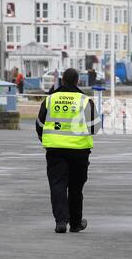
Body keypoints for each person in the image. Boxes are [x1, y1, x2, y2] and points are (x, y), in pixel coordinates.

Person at [36, 68, 101, 234]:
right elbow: (95, 127)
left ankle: (60, 221)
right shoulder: (85, 101)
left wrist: (45, 140)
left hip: (55, 150)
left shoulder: (50, 100)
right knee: (75, 187)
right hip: (79, 150)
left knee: (57, 186)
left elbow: (39, 124)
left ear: (62, 81)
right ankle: (76, 222)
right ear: (77, 81)